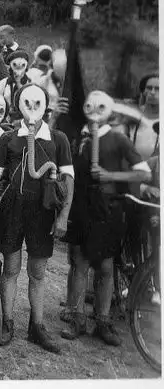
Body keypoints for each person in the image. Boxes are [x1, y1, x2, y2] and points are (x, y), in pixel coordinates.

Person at [0, 83, 73, 352]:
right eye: (27, 103)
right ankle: (7, 322)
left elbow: (68, 179)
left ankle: (37, 326)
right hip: (13, 209)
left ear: (45, 107)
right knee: (11, 269)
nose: (32, 109)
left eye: (38, 103)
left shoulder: (58, 139)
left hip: (43, 210)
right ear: (18, 105)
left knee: (38, 271)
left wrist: (63, 216)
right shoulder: (9, 138)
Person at [61, 91, 150, 346]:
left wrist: (111, 176)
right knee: (79, 263)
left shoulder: (119, 139)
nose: (94, 112)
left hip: (108, 208)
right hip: (81, 207)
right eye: (90, 106)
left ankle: (102, 320)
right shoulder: (79, 138)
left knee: (106, 266)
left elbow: (143, 173)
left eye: (100, 107)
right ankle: (77, 318)